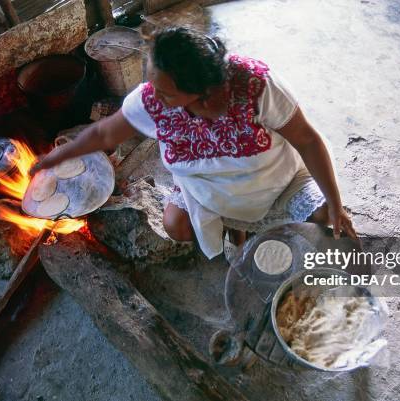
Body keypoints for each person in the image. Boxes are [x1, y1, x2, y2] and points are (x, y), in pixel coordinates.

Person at [30, 26, 357, 259]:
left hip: (281, 181)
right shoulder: (153, 100)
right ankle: (235, 227)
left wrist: (337, 203)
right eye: (151, 81)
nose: (153, 96)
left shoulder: (256, 85)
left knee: (326, 215)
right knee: (177, 225)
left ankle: (255, 223)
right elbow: (103, 134)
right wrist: (55, 158)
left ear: (203, 91)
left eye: (166, 92)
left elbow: (308, 140)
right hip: (209, 189)